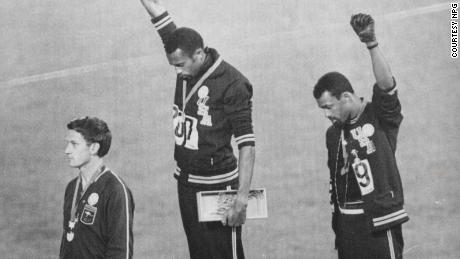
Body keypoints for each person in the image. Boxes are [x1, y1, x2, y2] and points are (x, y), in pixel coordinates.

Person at [139, 0, 256, 258]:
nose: (178, 72)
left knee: (225, 254)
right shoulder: (184, 55)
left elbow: (247, 144)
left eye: (180, 65)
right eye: (174, 66)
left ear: (199, 55)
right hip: (187, 183)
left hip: (218, 186)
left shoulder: (233, 84)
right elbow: (164, 24)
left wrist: (242, 198)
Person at [313, 14, 409, 259]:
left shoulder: (378, 117)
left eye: (328, 107)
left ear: (346, 97)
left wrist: (372, 44)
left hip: (378, 223)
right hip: (347, 228)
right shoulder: (332, 135)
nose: (326, 115)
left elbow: (387, 87)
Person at [59, 116, 135, 259]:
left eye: (74, 144)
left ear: (94, 147)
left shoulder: (115, 191)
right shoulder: (72, 187)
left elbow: (120, 252)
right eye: (67, 143)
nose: (67, 150)